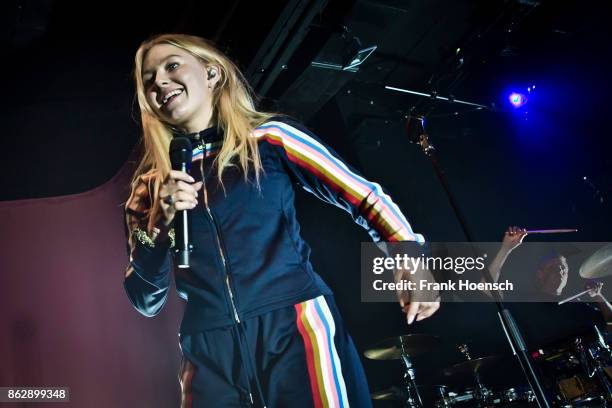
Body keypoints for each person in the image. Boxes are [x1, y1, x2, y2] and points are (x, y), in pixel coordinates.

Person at [122, 33, 439, 408]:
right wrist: (157, 228)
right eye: (149, 78)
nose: (159, 81)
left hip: (294, 323)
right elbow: (146, 300)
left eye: (171, 66)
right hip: (206, 347)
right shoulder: (149, 189)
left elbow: (363, 195)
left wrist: (410, 260)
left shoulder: (269, 138)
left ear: (211, 74)